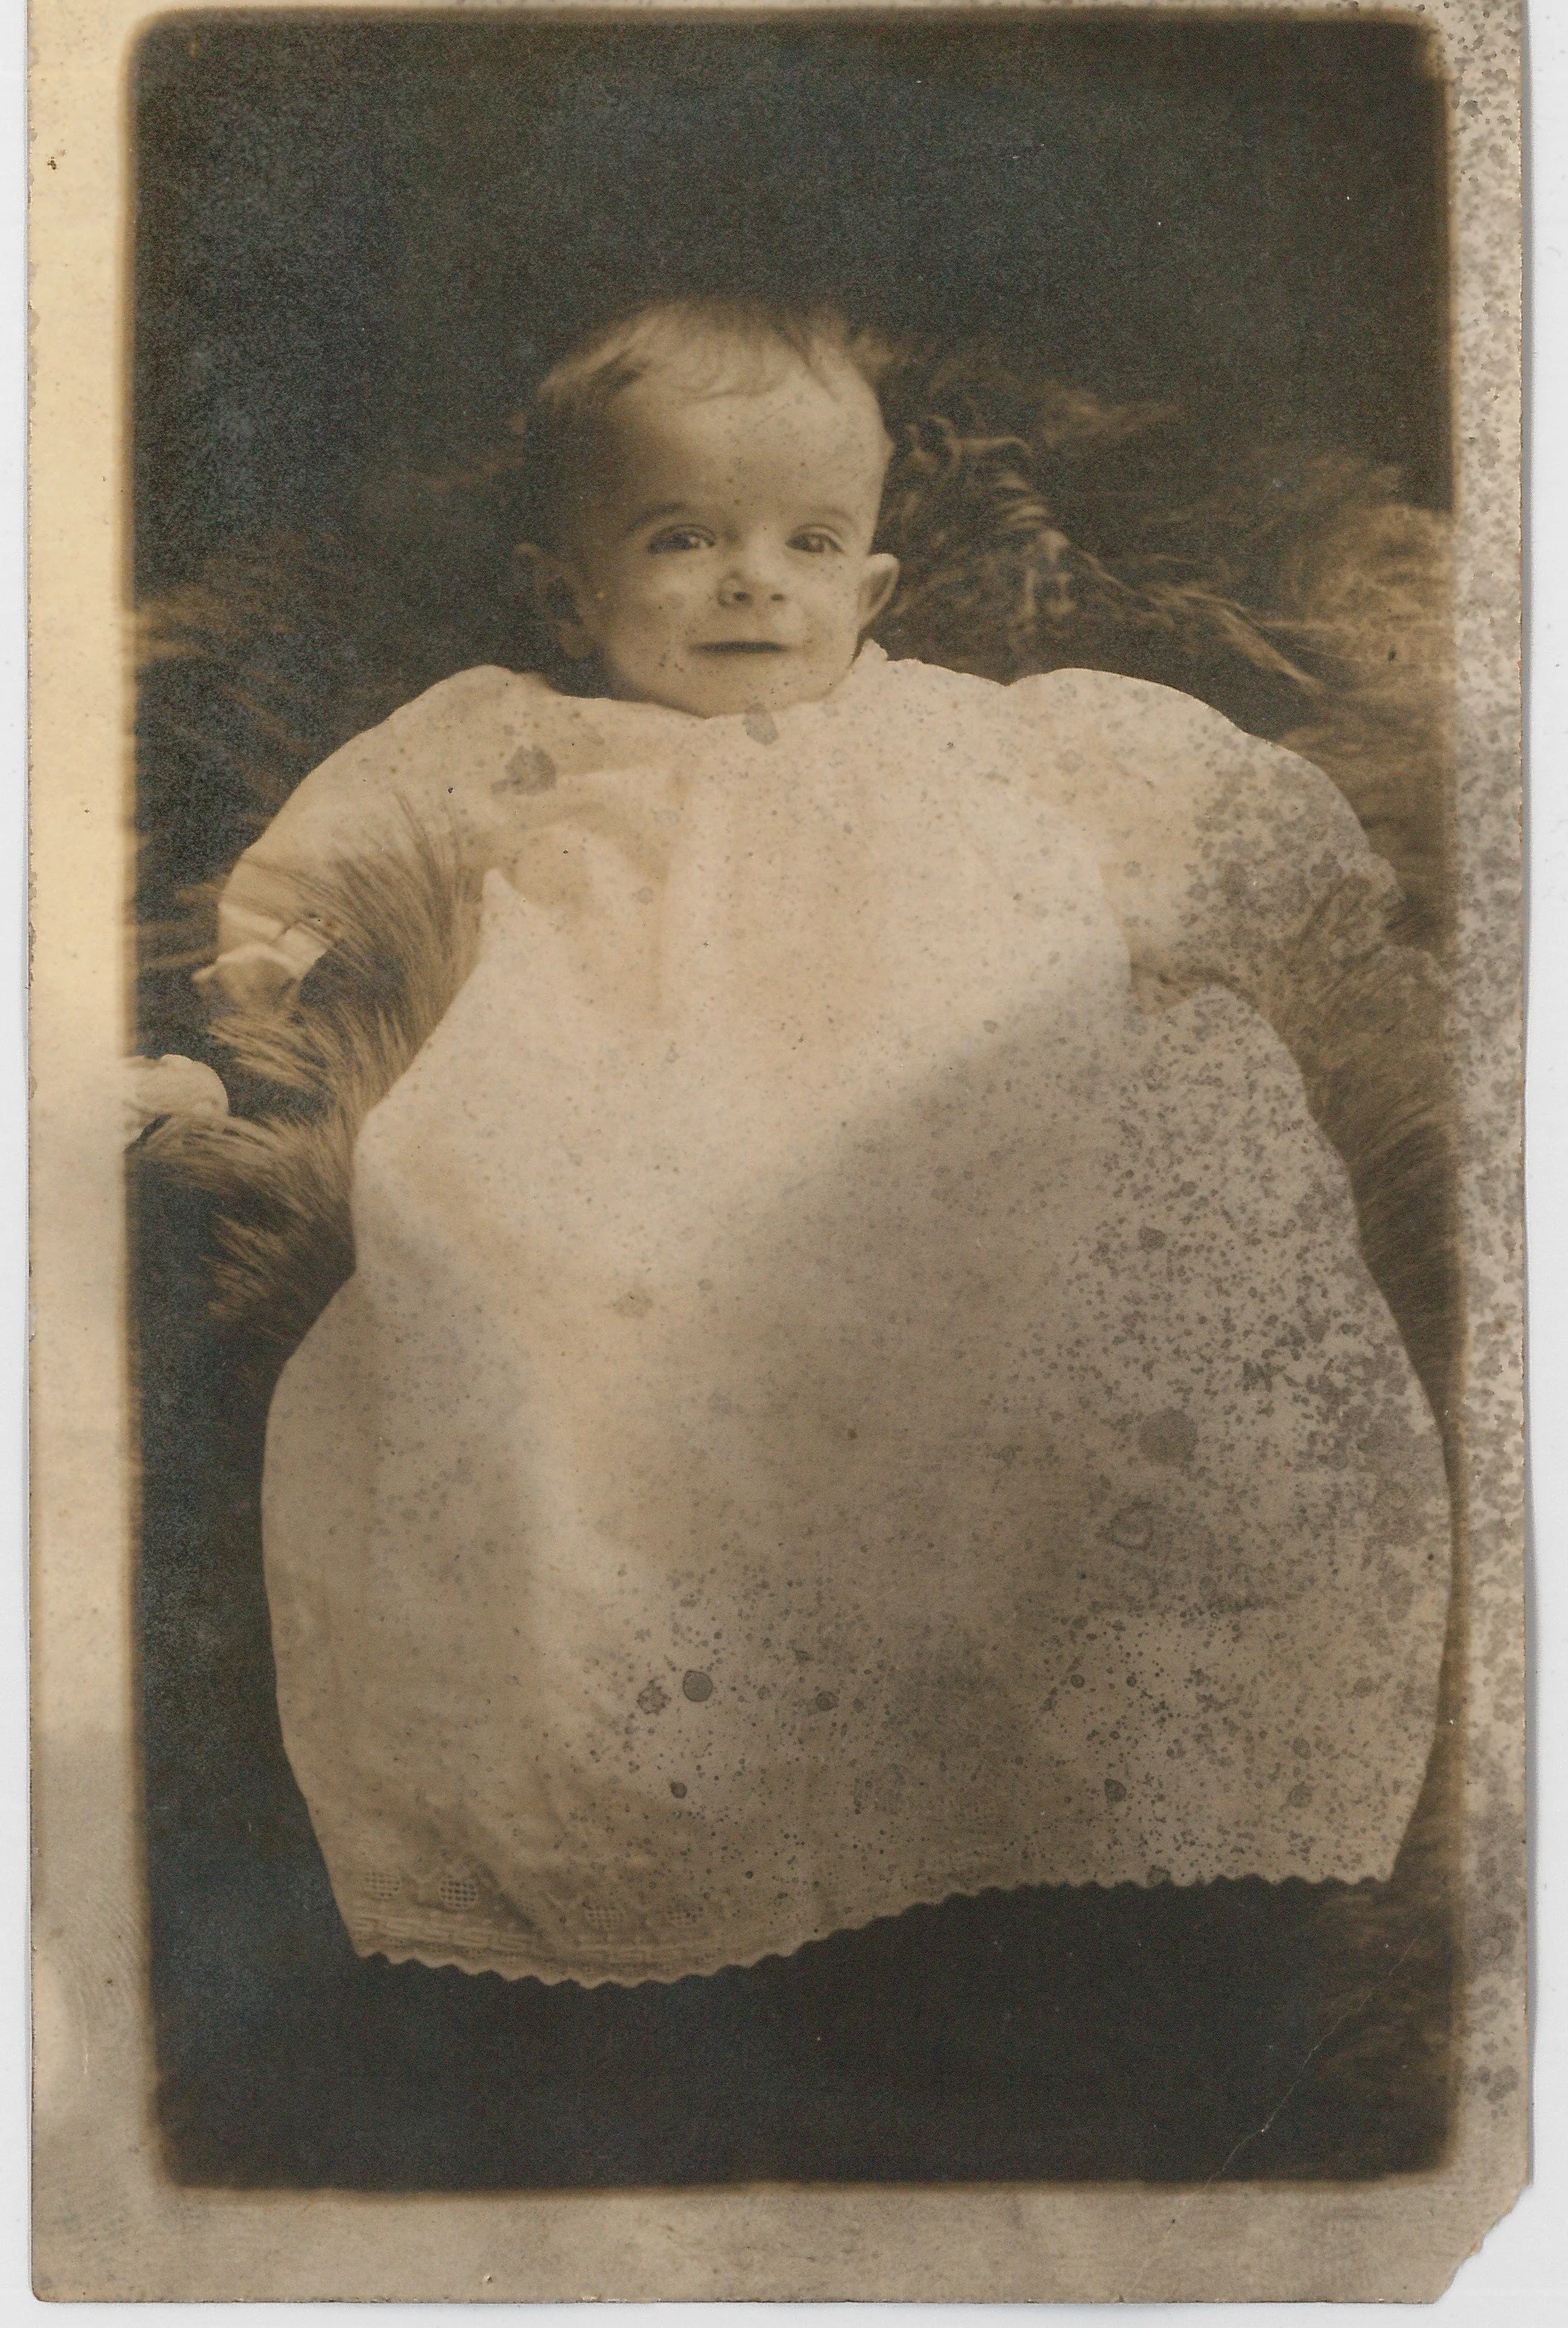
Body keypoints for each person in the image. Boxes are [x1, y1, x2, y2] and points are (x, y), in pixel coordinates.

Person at [172, 299, 1450, 1985]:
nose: (751, 581)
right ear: (568, 591)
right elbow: (309, 884)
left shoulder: (985, 727)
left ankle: (1063, 1779)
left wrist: (1330, 921)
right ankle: (677, 1810)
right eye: (683, 538)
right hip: (633, 1123)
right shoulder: (507, 734)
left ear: (874, 589)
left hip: (955, 1120)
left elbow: (1227, 817)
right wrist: (254, 1013)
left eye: (806, 541)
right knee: (553, 1345)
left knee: (1108, 1312)